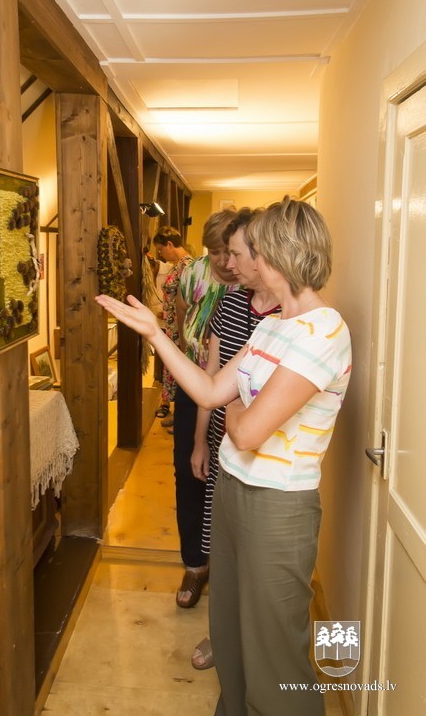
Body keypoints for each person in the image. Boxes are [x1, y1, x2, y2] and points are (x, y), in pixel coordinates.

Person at [96, 197, 352, 716]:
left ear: (277, 254)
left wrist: (236, 410)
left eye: (250, 250)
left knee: (276, 653)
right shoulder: (273, 325)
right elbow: (211, 391)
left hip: (277, 505)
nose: (237, 262)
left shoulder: (324, 330)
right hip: (234, 487)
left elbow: (249, 431)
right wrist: (154, 334)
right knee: (231, 629)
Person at [190, 208, 281, 670]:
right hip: (226, 448)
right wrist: (200, 441)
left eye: (236, 254)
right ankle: (221, 636)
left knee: (259, 567)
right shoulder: (228, 307)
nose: (228, 264)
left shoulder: (292, 318)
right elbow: (212, 378)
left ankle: (250, 649)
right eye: (223, 254)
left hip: (269, 462)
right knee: (223, 555)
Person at [173, 209, 240, 608]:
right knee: (189, 471)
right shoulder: (192, 272)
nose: (224, 261)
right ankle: (195, 564)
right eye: (215, 252)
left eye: (229, 251)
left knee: (229, 476)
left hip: (238, 392)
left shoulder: (251, 277)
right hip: (193, 385)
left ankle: (230, 566)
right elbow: (182, 312)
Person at [151, 227, 193, 423]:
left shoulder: (187, 266)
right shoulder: (178, 265)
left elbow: (188, 300)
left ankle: (181, 415)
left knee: (181, 368)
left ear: (169, 244)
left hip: (180, 328)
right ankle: (177, 412)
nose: (161, 254)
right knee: (173, 369)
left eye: (161, 249)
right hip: (172, 326)